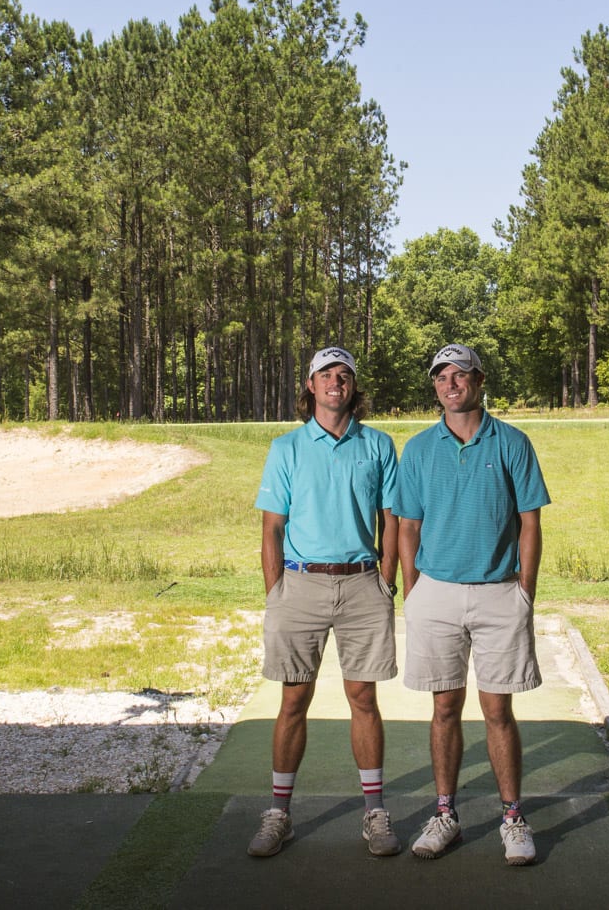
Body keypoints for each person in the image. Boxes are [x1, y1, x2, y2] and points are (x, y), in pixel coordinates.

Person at [395, 343, 550, 866]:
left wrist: (525, 590)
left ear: (479, 382)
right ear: (435, 386)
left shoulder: (511, 441)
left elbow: (530, 522)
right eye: (441, 377)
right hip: (434, 594)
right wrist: (412, 591)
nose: (450, 384)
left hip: (499, 592)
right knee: (443, 708)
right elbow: (407, 527)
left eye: (460, 375)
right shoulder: (417, 449)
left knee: (498, 710)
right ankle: (446, 814)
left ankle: (512, 817)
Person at [249, 346, 402, 858]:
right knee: (294, 699)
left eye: (344, 376)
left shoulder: (378, 445)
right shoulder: (286, 448)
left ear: (353, 387)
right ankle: (278, 814)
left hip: (362, 585)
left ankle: (375, 813)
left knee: (364, 698)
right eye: (326, 375)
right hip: (301, 587)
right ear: (310, 386)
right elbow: (272, 528)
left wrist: (386, 579)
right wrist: (276, 593)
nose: (336, 383)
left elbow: (392, 520)